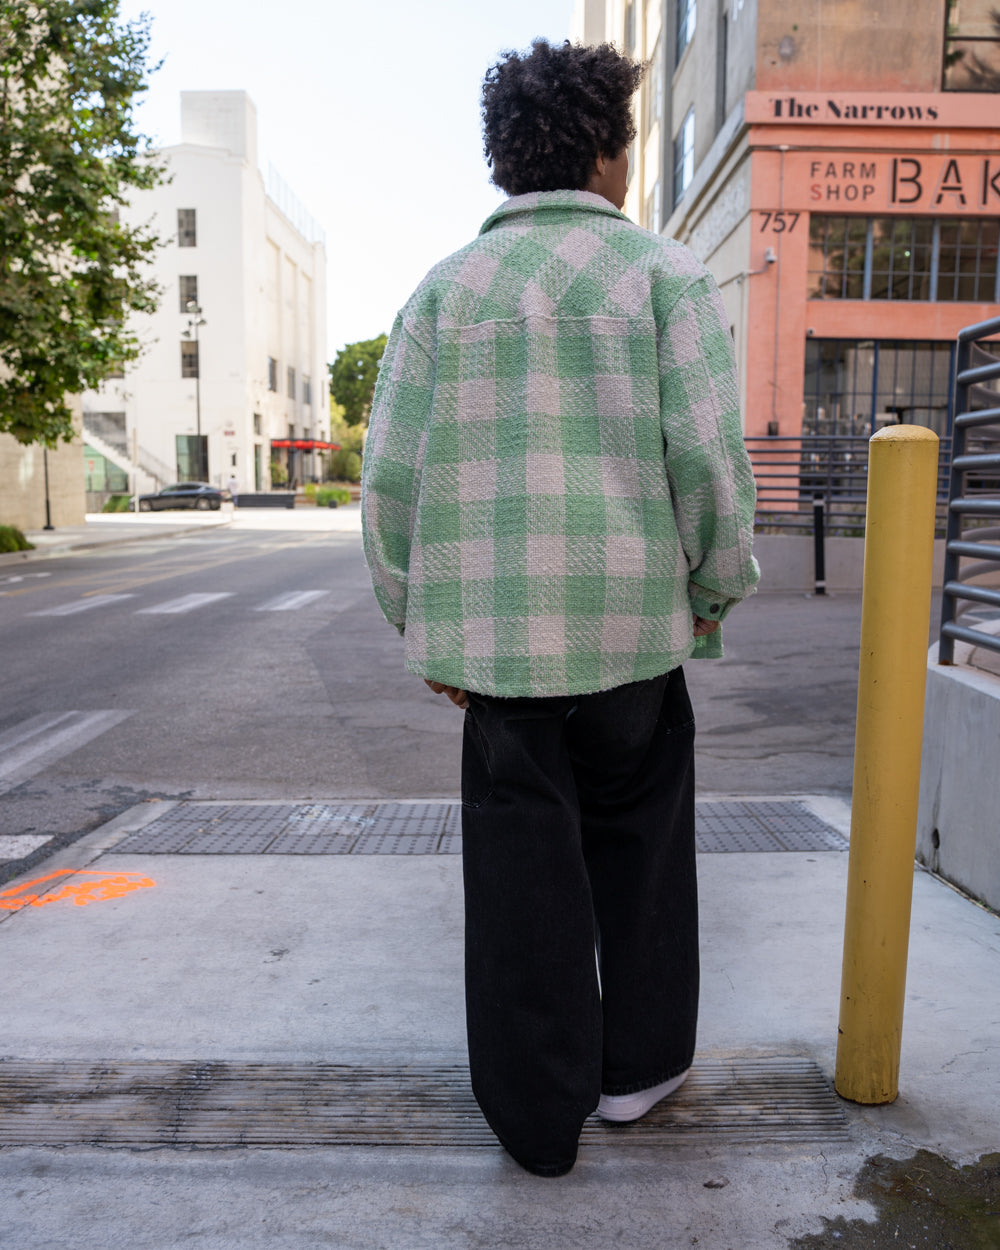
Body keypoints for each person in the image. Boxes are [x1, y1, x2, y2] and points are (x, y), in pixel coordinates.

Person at [361, 38, 759, 1178]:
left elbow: (390, 482)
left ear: (507, 157)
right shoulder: (663, 277)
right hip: (633, 637)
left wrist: (415, 617)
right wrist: (709, 592)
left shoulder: (440, 293)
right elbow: (709, 468)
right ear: (608, 152)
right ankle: (634, 1075)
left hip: (492, 654)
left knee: (518, 873)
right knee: (638, 845)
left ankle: (535, 1118)